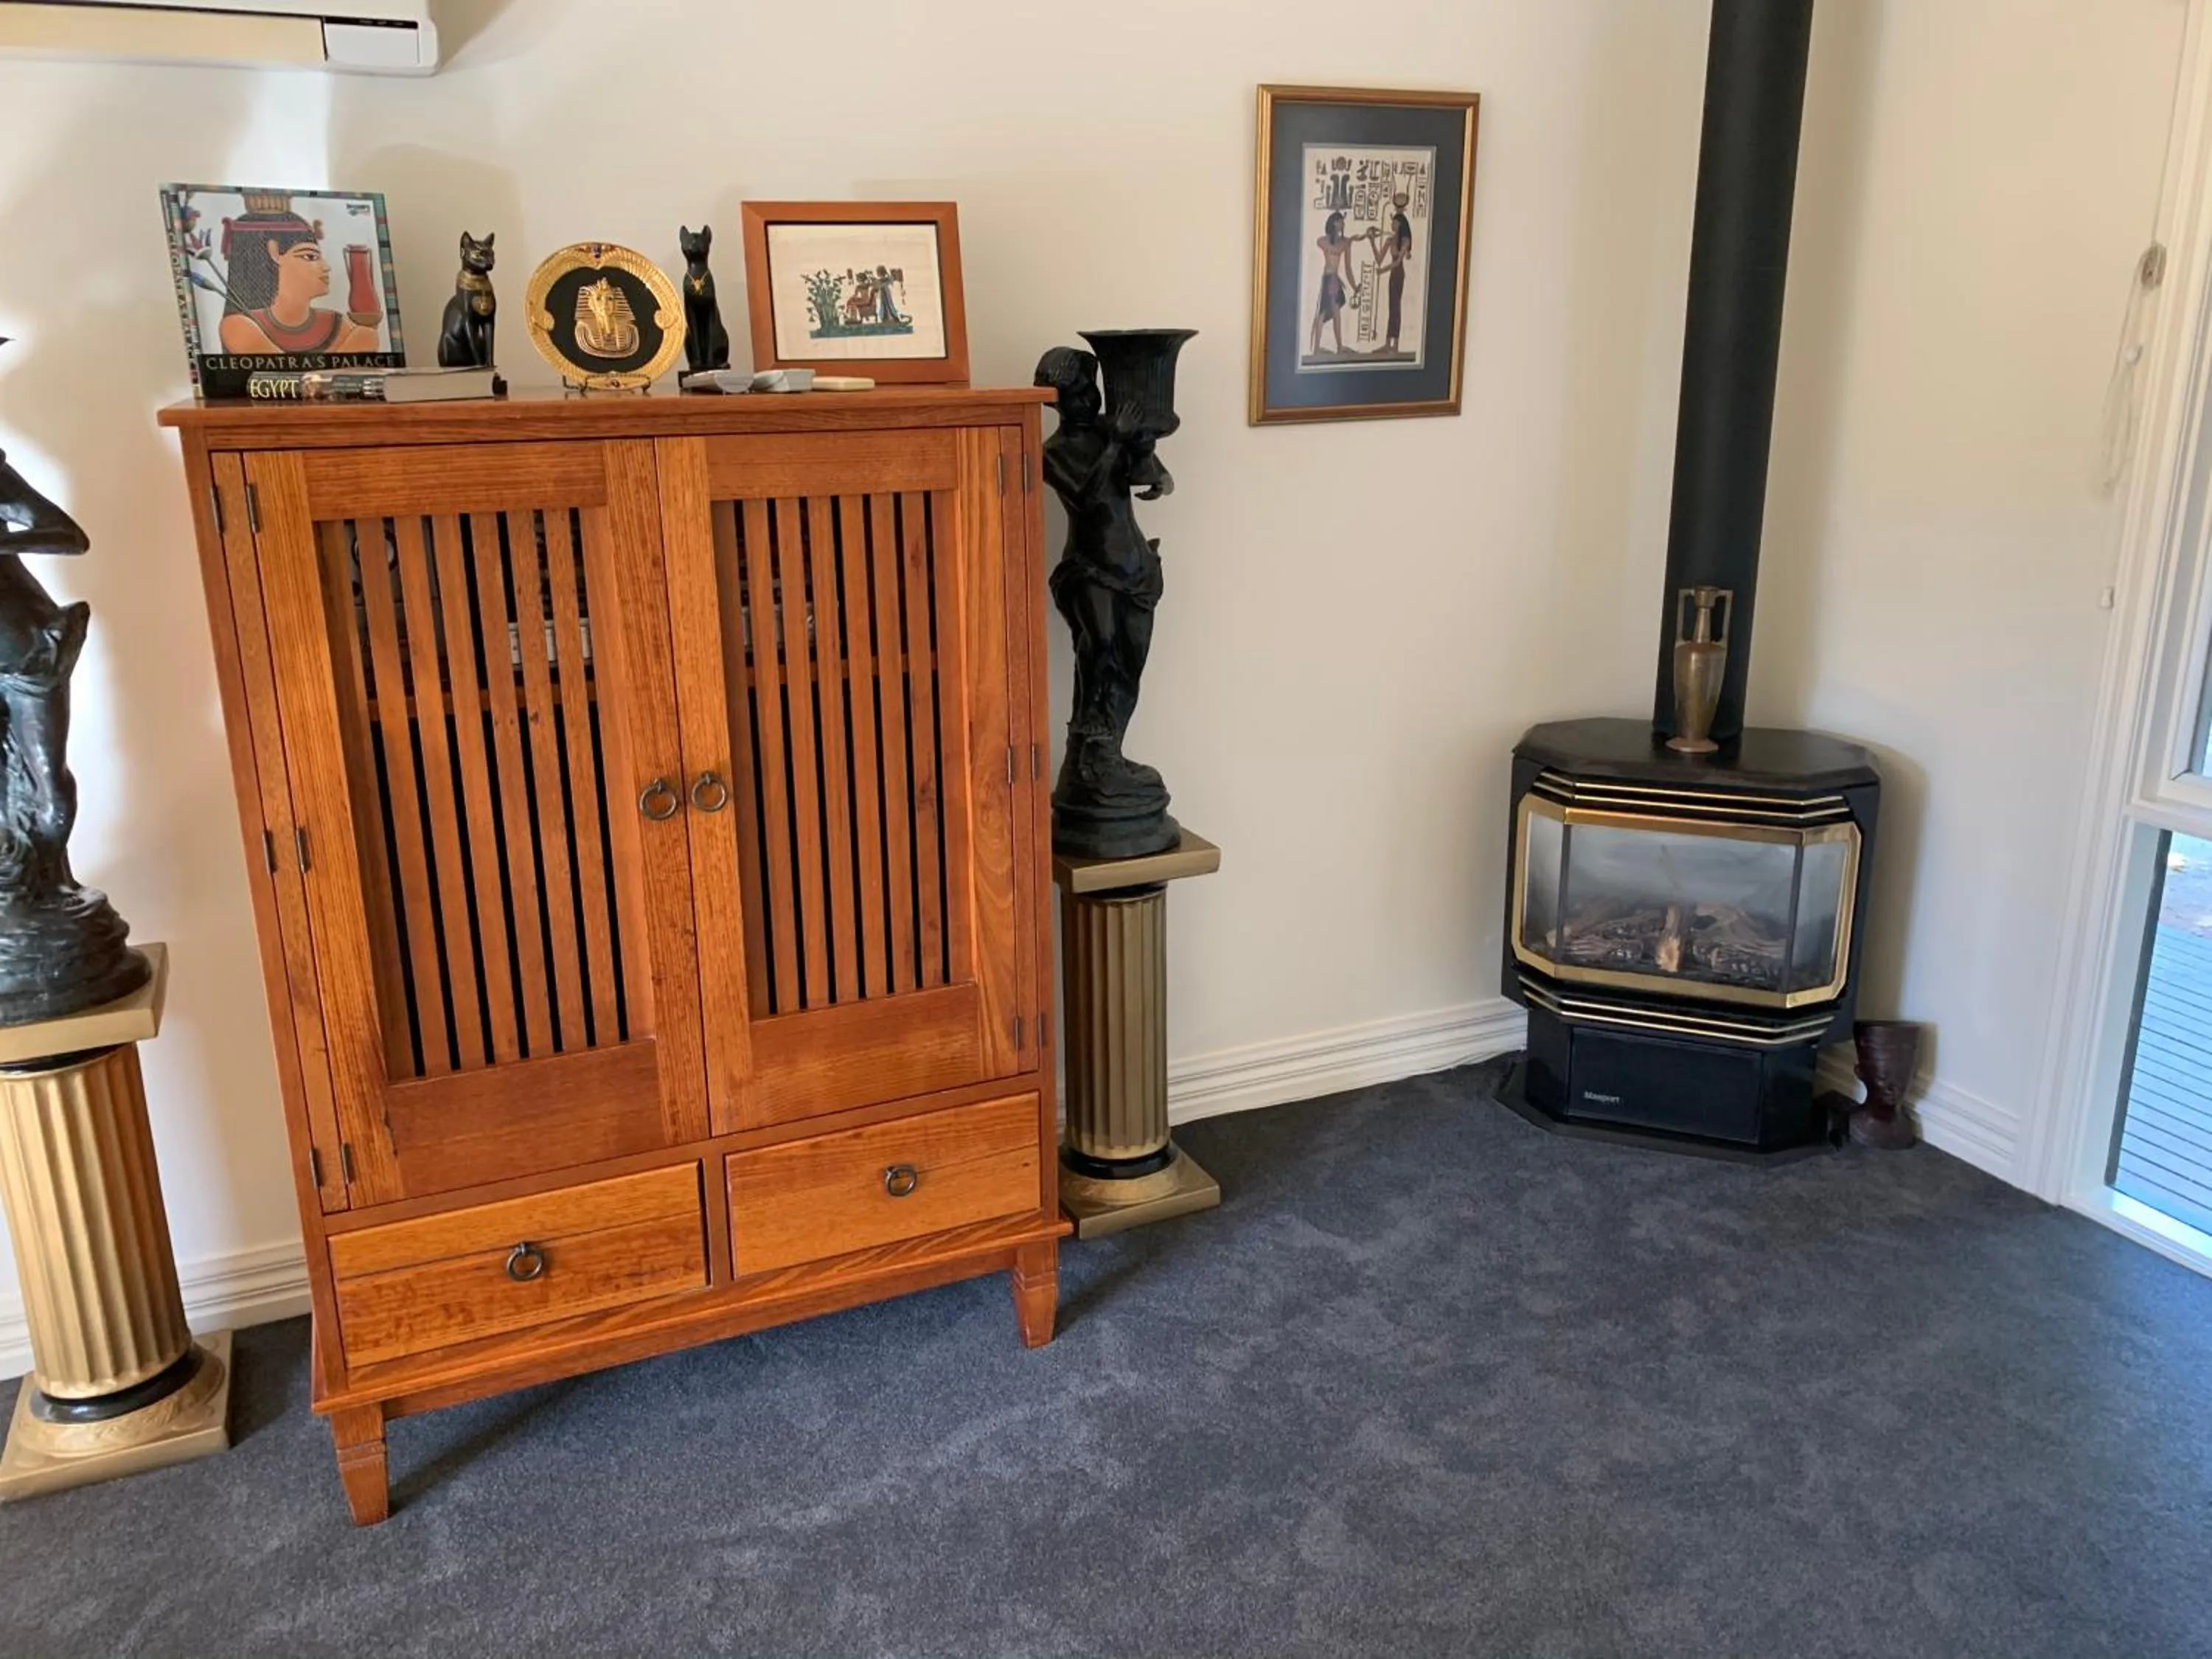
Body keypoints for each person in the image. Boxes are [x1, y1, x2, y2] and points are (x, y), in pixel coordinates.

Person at [215, 197, 380, 355]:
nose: (326, 267)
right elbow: (294, 378)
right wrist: (363, 338)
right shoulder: (238, 326)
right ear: (274, 253)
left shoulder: (337, 324)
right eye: (310, 257)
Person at [1308, 211, 1357, 360]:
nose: (1343, 224)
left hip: (1334, 278)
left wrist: (1354, 287)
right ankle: (1320, 348)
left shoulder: (1345, 243)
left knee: (1334, 311)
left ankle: (1339, 346)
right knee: (1324, 312)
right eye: (1340, 221)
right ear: (1334, 223)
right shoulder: (1328, 240)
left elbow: (1348, 268)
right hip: (1328, 278)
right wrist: (1336, 246)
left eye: (1343, 222)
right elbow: (1320, 241)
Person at [1381, 192, 1414, 354]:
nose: (1392, 223)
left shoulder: (1404, 241)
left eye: (1394, 221)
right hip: (1393, 274)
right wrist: (1373, 240)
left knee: (1396, 308)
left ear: (1399, 224)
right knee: (1391, 307)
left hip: (1398, 273)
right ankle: (1388, 343)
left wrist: (1383, 270)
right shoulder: (1391, 240)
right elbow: (1379, 258)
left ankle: (1396, 345)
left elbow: (1396, 263)